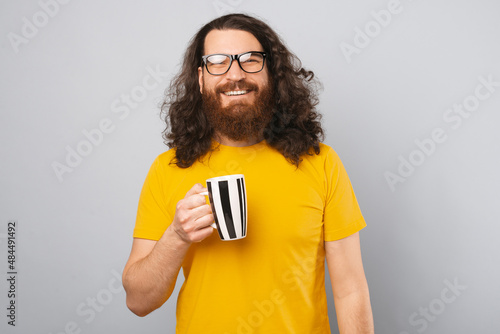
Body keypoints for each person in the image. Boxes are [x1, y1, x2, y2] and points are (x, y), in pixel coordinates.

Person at [122, 13, 374, 334]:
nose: (235, 75)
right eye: (218, 62)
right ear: (201, 79)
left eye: (251, 60)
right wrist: (177, 235)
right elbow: (138, 302)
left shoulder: (321, 163)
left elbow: (351, 290)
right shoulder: (167, 169)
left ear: (271, 73)